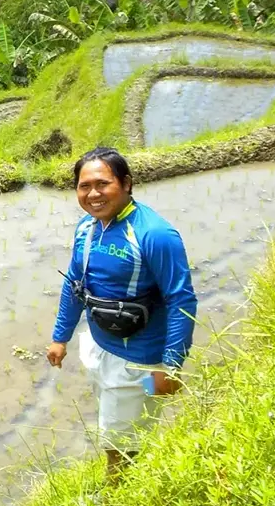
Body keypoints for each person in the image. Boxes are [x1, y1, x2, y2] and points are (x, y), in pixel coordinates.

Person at [47, 147, 197, 482]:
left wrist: (170, 366)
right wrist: (60, 337)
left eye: (103, 184)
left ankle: (116, 491)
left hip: (138, 359)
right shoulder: (87, 227)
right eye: (84, 186)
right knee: (117, 417)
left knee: (119, 438)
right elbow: (75, 283)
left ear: (126, 183)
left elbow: (181, 300)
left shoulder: (154, 234)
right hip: (100, 347)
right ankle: (142, 424)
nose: (93, 194)